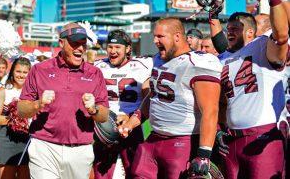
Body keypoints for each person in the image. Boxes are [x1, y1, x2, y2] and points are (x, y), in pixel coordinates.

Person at [208, 0, 288, 178]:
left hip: (262, 134)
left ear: (252, 31)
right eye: (228, 29)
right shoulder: (225, 58)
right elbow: (219, 101)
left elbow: (282, 35)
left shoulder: (264, 45)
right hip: (231, 139)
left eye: (236, 29)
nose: (229, 33)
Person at [118, 17, 223, 179]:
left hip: (182, 142)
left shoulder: (198, 62)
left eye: (160, 36)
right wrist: (132, 123)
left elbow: (210, 109)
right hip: (153, 139)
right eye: (154, 36)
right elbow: (154, 97)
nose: (155, 41)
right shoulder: (159, 59)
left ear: (177, 37)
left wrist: (204, 153)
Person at [17, 22, 109, 179]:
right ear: (61, 42)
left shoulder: (95, 73)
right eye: (75, 43)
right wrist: (38, 103)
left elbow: (104, 116)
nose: (80, 48)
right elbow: (21, 110)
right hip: (44, 147)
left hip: (80, 150)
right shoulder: (40, 70)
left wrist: (93, 109)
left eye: (83, 44)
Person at [93, 29, 152, 179]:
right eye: (110, 47)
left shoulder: (143, 65)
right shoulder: (97, 67)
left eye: (117, 47)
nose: (113, 51)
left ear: (128, 48)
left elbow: (149, 100)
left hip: (132, 126)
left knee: (136, 171)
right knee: (101, 173)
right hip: (104, 127)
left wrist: (132, 119)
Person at [0, 57, 31, 179]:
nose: (21, 75)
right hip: (7, 139)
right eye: (18, 71)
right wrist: (14, 120)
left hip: (28, 140)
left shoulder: (34, 93)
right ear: (12, 71)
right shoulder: (3, 91)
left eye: (25, 72)